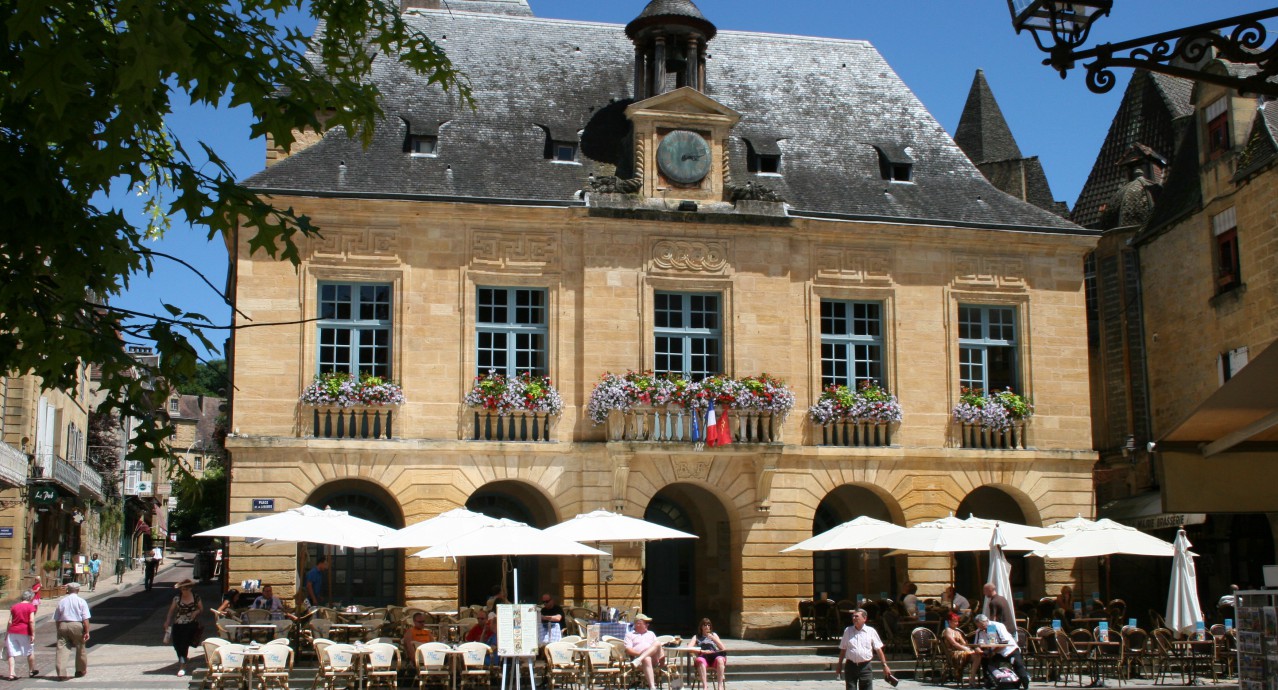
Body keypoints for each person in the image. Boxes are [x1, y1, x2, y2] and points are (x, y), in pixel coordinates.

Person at [835, 608, 896, 690]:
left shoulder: (871, 631)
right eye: (853, 616)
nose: (854, 618)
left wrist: (884, 665)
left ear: (864, 618)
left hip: (865, 667)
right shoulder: (848, 631)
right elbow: (843, 649)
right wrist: (839, 665)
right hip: (850, 666)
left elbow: (878, 650)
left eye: (856, 616)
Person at [974, 613, 1029, 690]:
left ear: (986, 621)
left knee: (1018, 665)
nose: (983, 628)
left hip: (1009, 650)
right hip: (995, 652)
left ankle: (1025, 683)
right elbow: (977, 644)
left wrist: (993, 652)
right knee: (985, 660)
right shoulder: (979, 631)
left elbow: (1004, 642)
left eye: (983, 626)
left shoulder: (996, 626)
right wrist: (979, 650)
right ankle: (990, 682)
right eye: (980, 627)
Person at [163, 578, 204, 677]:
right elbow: (171, 611)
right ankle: (183, 658)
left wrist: (196, 612)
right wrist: (167, 621)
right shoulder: (177, 598)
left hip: (190, 624)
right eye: (182, 589)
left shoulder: (196, 597)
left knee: (184, 644)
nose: (183, 591)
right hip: (178, 624)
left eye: (185, 589)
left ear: (190, 588)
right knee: (177, 645)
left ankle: (182, 666)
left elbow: (201, 608)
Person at [53, 581, 91, 680]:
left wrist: (59, 629)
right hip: (76, 624)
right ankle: (80, 670)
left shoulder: (62, 601)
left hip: (63, 624)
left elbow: (57, 618)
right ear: (78, 590)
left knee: (61, 648)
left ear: (68, 590)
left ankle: (61, 673)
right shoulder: (81, 601)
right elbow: (85, 618)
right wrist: (87, 631)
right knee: (80, 647)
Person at [624, 613, 665, 690]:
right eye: (646, 623)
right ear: (638, 624)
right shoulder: (629, 635)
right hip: (640, 661)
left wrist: (642, 655)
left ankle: (639, 659)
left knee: (657, 643)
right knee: (646, 658)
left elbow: (658, 647)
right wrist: (640, 654)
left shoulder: (651, 633)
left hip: (655, 660)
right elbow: (628, 650)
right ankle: (652, 686)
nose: (648, 625)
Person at [6, 589, 40, 680]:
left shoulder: (14, 606)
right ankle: (31, 670)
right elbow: (31, 620)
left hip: (12, 631)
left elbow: (10, 621)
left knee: (11, 653)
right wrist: (33, 634)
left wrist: (7, 633)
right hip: (25, 631)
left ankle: (11, 673)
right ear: (30, 598)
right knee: (29, 651)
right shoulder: (30, 607)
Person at [940, 611, 980, 687]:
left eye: (957, 622)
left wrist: (968, 647)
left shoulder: (957, 631)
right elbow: (954, 643)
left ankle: (972, 677)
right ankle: (972, 679)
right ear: (949, 622)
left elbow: (964, 643)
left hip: (960, 651)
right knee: (975, 656)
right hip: (953, 652)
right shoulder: (947, 630)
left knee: (978, 655)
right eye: (955, 622)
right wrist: (966, 649)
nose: (957, 623)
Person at [688, 617, 727, 690]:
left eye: (709, 625)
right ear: (701, 627)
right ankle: (705, 686)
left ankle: (720, 686)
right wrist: (702, 651)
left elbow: (723, 648)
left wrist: (713, 638)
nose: (707, 627)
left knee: (720, 659)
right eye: (705, 625)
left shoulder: (714, 635)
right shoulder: (697, 637)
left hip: (714, 655)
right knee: (700, 660)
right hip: (704, 656)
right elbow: (689, 648)